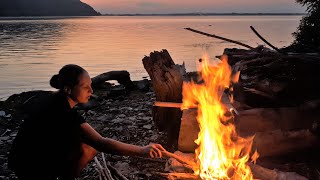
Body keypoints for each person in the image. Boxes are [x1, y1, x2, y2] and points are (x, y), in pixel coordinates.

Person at [8, 64, 166, 180]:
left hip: (22, 160)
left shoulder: (56, 102)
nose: (91, 91)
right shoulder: (62, 112)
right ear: (68, 89)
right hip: (29, 166)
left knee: (84, 145)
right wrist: (142, 150)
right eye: (85, 87)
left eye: (91, 86)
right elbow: (101, 143)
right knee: (89, 148)